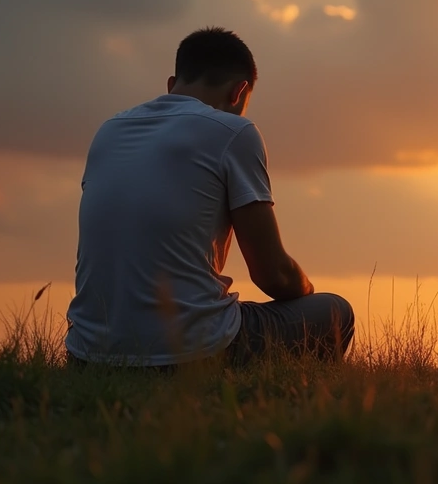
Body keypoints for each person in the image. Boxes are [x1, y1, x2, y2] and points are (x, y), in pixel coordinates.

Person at [65, 27, 354, 368]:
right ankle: (295, 405)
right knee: (335, 311)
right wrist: (306, 293)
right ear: (239, 91)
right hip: (190, 353)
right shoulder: (234, 131)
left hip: (88, 356)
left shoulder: (109, 131)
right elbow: (272, 274)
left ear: (172, 85)